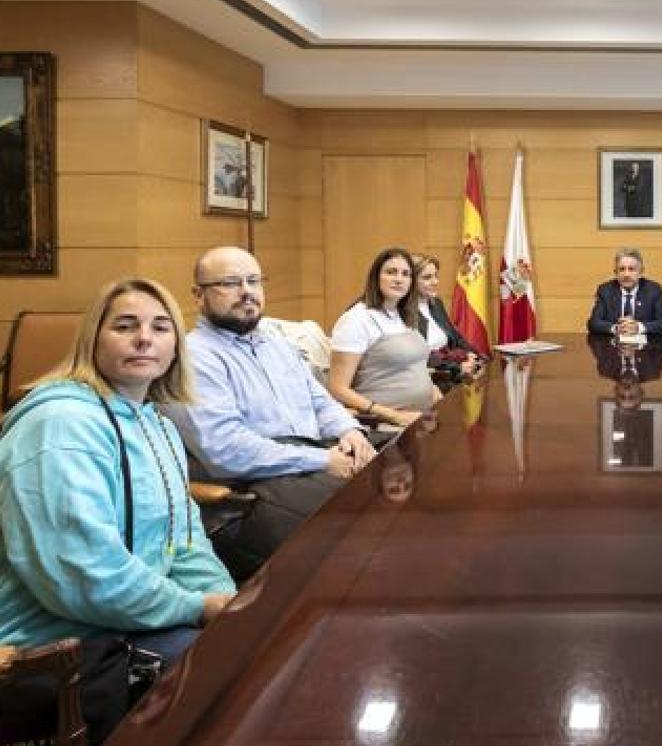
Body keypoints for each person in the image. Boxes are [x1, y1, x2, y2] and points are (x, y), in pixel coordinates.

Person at [0, 278, 234, 743]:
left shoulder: (157, 423)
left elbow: (185, 538)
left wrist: (221, 600)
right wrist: (195, 607)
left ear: (176, 346)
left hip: (127, 617)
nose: (144, 338)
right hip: (50, 646)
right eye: (125, 326)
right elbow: (83, 576)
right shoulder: (60, 424)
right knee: (224, 686)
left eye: (161, 327)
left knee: (248, 648)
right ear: (94, 340)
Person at [166, 246, 376, 581]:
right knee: (359, 537)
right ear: (198, 295)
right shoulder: (194, 357)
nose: (247, 291)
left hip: (309, 463)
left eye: (253, 281)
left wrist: (350, 431)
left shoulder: (276, 344)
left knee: (395, 486)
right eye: (230, 283)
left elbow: (319, 401)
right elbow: (228, 451)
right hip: (247, 493)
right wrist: (323, 461)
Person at [328, 247, 440, 428]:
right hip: (384, 424)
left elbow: (413, 366)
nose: (399, 279)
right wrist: (394, 416)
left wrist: (435, 393)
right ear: (376, 277)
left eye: (406, 274)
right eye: (391, 272)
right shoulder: (356, 320)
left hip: (424, 418)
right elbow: (337, 389)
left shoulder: (405, 315)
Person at [410, 253, 485, 383]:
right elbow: (419, 357)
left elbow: (456, 338)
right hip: (426, 380)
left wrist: (473, 355)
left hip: (450, 376)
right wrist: (457, 365)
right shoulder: (402, 312)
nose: (435, 282)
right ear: (410, 281)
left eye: (436, 276)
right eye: (427, 278)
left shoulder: (436, 303)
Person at [586, 247, 662, 336]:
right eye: (622, 269)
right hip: (612, 347)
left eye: (631, 269)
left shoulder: (653, 290)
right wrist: (616, 328)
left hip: (646, 347)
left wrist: (638, 327)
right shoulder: (605, 290)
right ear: (615, 272)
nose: (626, 274)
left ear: (641, 272)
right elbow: (593, 323)